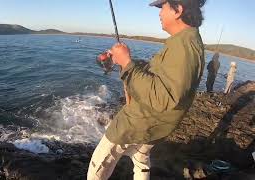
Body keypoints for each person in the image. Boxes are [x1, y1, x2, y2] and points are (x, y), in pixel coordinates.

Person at [87, 0, 206, 179]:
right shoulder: (185, 40)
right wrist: (127, 61)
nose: (159, 13)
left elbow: (164, 97)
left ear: (178, 10)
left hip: (141, 121)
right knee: (141, 159)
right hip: (156, 125)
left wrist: (127, 64)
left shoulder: (184, 46)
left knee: (100, 161)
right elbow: (161, 76)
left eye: (162, 7)